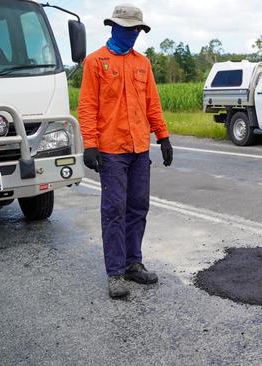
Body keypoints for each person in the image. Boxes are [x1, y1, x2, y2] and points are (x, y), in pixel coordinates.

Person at [78, 4, 173, 299]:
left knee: (137, 207)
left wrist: (164, 136)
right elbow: (87, 106)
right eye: (129, 28)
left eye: (137, 30)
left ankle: (134, 263)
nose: (133, 34)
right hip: (111, 150)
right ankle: (115, 272)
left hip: (139, 149)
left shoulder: (142, 64)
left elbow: (152, 104)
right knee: (113, 210)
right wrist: (90, 144)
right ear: (113, 28)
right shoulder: (95, 62)